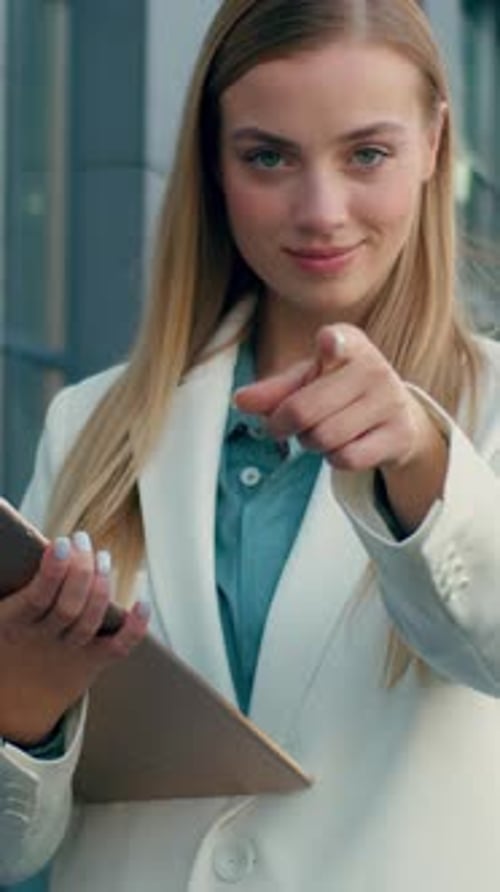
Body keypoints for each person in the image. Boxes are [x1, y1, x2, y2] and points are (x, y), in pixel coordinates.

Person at [2, 0, 500, 888]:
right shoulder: (89, 426)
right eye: (267, 156)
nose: (320, 211)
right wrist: (22, 712)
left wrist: (422, 461)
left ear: (435, 145)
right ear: (212, 162)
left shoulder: (487, 406)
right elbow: (19, 849)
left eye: (368, 154)